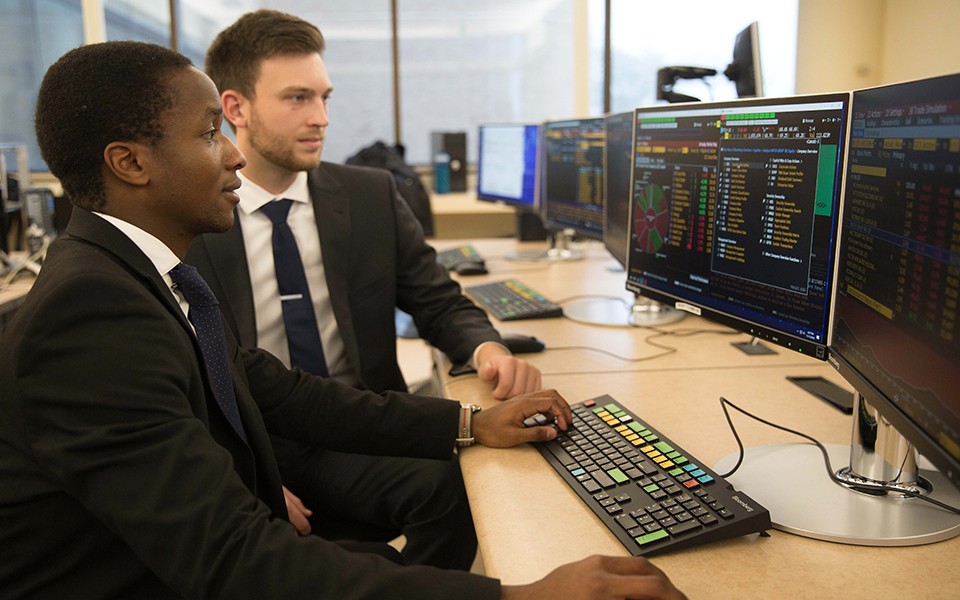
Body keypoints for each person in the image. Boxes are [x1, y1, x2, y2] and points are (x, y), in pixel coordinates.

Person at [0, 41, 687, 600]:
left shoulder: (143, 276)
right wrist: (520, 598)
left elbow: (277, 390)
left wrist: (471, 424)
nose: (234, 152)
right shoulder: (93, 311)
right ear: (130, 164)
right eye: (211, 134)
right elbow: (233, 561)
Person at [184, 8, 542, 559]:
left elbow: (436, 299)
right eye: (298, 98)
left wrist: (484, 345)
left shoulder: (370, 196)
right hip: (254, 441)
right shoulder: (191, 220)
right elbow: (181, 383)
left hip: (358, 425)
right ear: (236, 108)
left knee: (458, 489)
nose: (322, 117)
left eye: (326, 97)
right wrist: (236, 475)